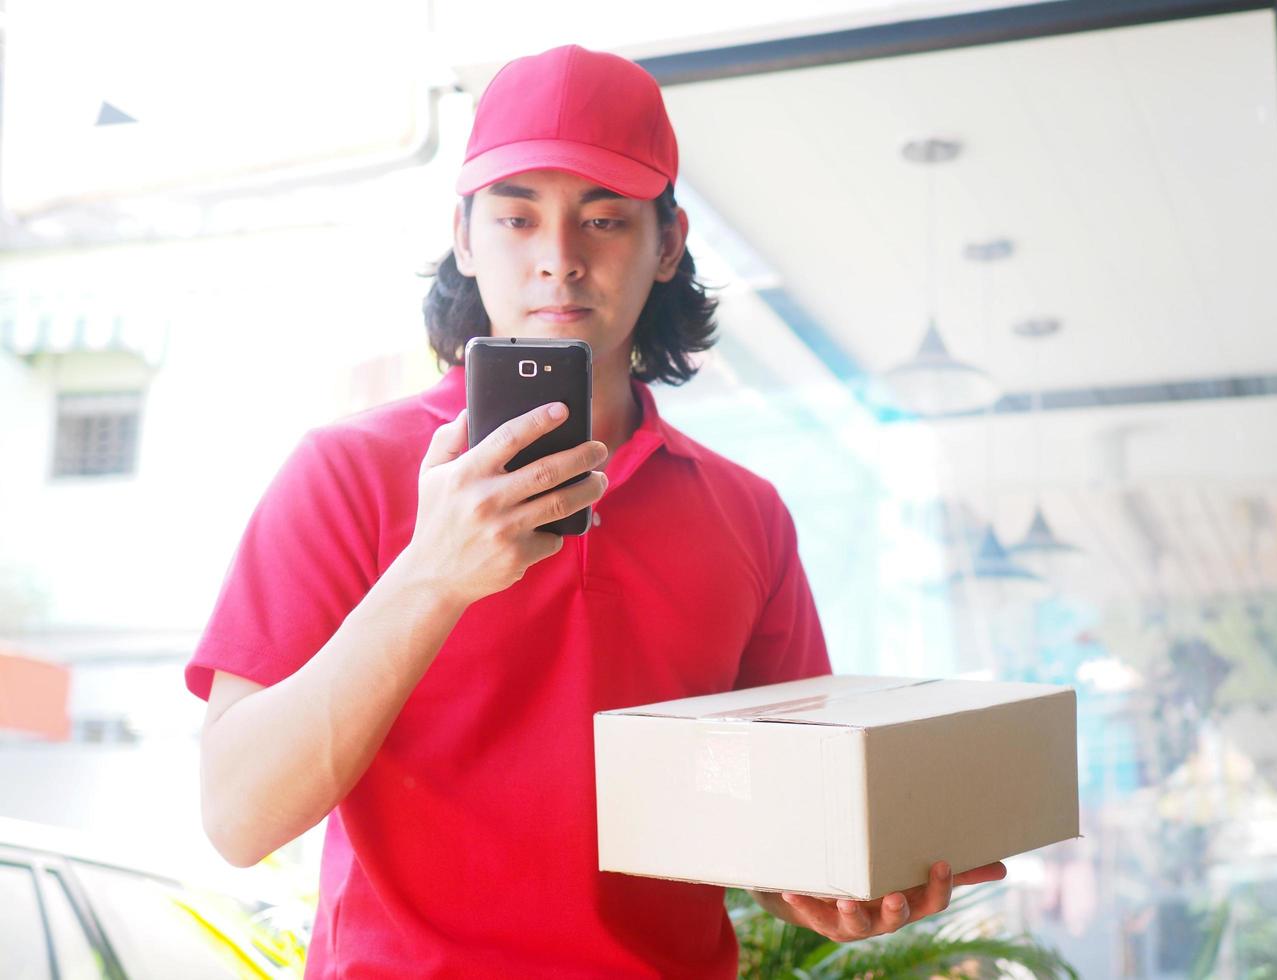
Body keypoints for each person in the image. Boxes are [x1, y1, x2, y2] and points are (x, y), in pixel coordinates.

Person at [185, 43, 1005, 978]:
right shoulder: (346, 472)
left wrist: (836, 884)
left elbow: (783, 816)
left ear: (668, 243)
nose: (559, 262)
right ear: (465, 237)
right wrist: (431, 576)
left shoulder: (748, 515)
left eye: (604, 219)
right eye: (517, 217)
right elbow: (237, 818)